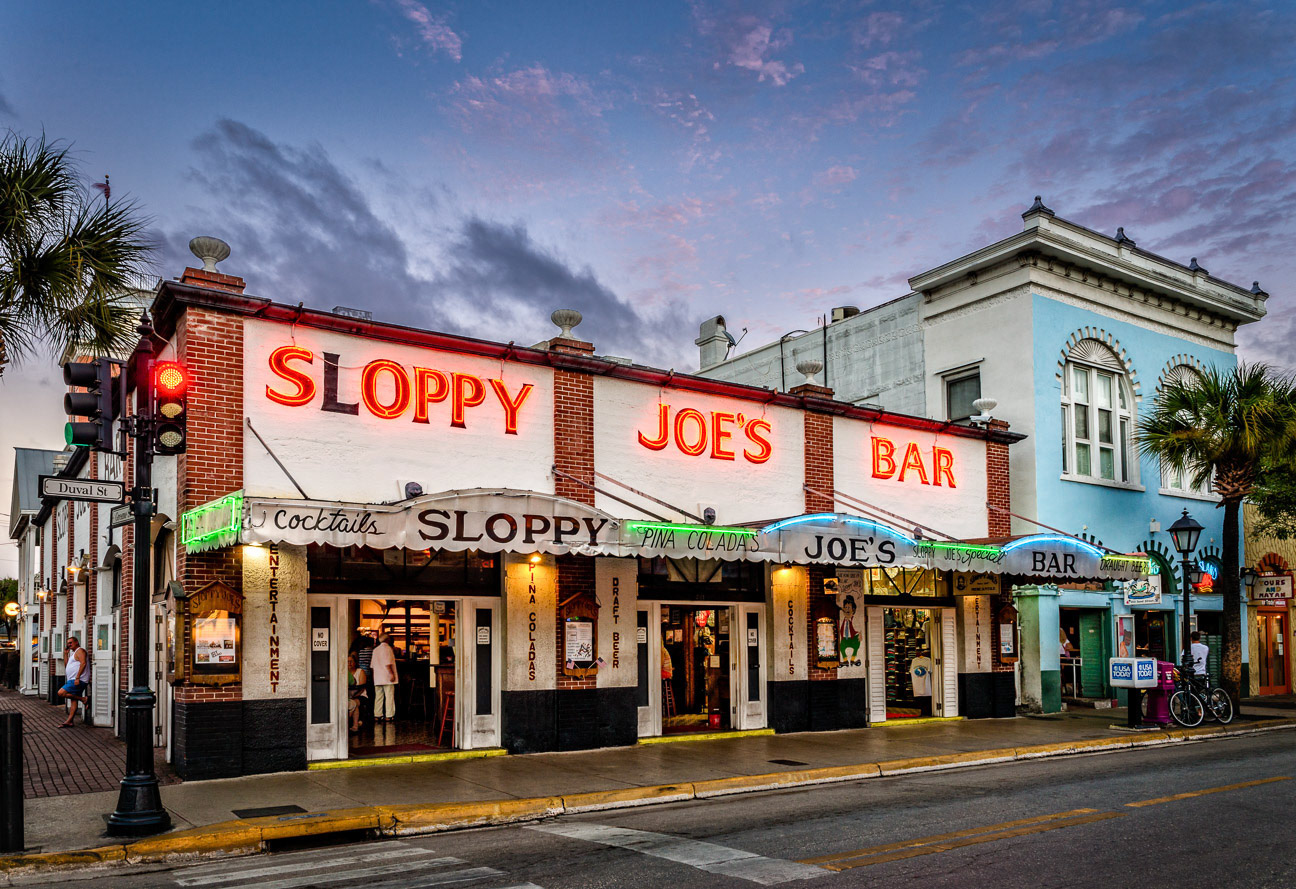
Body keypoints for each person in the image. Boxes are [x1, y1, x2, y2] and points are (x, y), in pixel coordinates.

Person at [58, 636, 90, 727]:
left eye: (71, 643)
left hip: (78, 680)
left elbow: (83, 663)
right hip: (72, 679)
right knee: (73, 699)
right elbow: (66, 666)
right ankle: (70, 721)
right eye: (68, 643)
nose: (69, 645)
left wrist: (77, 677)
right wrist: (65, 654)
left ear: (76, 642)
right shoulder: (73, 654)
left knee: (60, 693)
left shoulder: (80, 650)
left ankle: (83, 699)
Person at [370, 633, 398, 722]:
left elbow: (372, 665)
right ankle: (389, 715)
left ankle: (377, 714)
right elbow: (388, 662)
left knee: (378, 696)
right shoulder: (388, 649)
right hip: (387, 677)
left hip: (378, 677)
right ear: (388, 640)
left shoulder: (375, 650)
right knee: (389, 696)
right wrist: (391, 674)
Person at [347, 653, 368, 733]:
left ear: (355, 662)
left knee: (354, 703)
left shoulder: (360, 672)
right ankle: (355, 725)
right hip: (349, 696)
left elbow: (362, 688)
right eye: (348, 661)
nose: (349, 663)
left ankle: (350, 723)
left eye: (351, 661)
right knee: (353, 704)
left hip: (360, 695)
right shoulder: (344, 672)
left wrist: (354, 696)